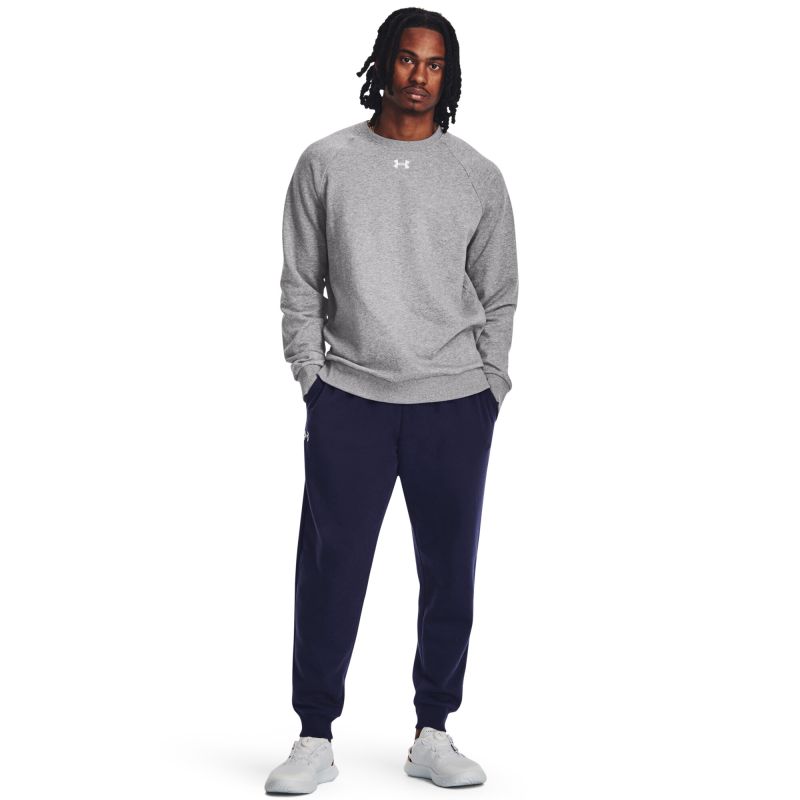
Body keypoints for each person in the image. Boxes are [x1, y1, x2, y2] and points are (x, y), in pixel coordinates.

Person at [266, 7, 518, 794]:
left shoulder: (476, 175)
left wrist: (491, 383)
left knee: (450, 572)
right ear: (383, 63)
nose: (419, 76)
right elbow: (300, 282)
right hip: (350, 396)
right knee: (330, 568)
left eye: (435, 64)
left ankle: (432, 731)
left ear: (450, 75)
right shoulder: (326, 162)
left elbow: (500, 293)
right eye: (408, 59)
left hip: (455, 401)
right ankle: (314, 736)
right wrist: (311, 375)